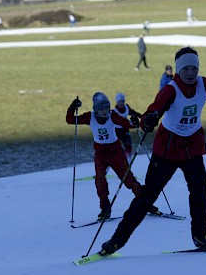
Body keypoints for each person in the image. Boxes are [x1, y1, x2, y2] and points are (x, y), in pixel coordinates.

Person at [100, 47, 206, 255]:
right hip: (167, 150)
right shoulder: (170, 90)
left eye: (194, 68)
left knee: (200, 190)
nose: (190, 73)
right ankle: (117, 240)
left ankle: (201, 235)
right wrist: (149, 120)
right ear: (178, 70)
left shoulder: (203, 84)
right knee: (147, 197)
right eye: (186, 69)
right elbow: (151, 113)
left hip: (192, 147)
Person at [66, 92, 159, 220]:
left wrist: (134, 122)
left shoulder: (112, 116)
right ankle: (105, 208)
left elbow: (126, 123)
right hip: (100, 154)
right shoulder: (90, 117)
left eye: (106, 107)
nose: (105, 111)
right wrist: (72, 107)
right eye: (101, 108)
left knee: (129, 180)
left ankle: (146, 204)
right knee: (100, 181)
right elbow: (70, 120)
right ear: (96, 109)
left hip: (115, 152)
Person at [113, 93, 143, 160]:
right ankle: (121, 158)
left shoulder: (126, 108)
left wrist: (142, 117)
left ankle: (128, 160)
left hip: (125, 130)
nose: (121, 103)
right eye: (119, 101)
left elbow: (134, 113)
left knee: (128, 145)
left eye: (123, 101)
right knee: (117, 147)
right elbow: (121, 122)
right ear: (117, 102)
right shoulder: (114, 111)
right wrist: (132, 125)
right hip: (116, 131)